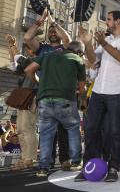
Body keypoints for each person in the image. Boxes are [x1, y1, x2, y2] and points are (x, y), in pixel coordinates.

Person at [76, 10, 120, 182]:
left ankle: (113, 167)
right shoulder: (107, 40)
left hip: (117, 92)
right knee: (90, 129)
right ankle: (89, 166)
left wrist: (102, 43)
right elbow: (93, 60)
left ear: (117, 21)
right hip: (97, 92)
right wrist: (88, 44)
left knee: (115, 132)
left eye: (108, 19)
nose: (106, 22)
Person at [24, 41, 87, 177]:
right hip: (65, 100)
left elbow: (28, 70)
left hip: (44, 100)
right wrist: (84, 101)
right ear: (80, 52)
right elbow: (82, 87)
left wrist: (39, 84)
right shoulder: (78, 60)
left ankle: (43, 168)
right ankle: (76, 161)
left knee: (46, 134)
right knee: (73, 129)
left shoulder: (48, 55)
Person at [23, 8, 73, 171]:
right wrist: (41, 21)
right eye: (50, 31)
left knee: (63, 129)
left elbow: (67, 38)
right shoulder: (42, 48)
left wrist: (53, 22)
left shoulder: (65, 47)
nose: (52, 33)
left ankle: (65, 159)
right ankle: (48, 160)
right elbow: (27, 37)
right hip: (44, 95)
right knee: (47, 130)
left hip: (63, 94)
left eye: (55, 31)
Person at [5, 35, 38, 170]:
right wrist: (11, 50)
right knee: (21, 131)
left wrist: (12, 46)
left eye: (28, 49)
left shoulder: (37, 61)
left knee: (28, 130)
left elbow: (20, 60)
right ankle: (25, 159)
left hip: (32, 100)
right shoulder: (31, 62)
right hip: (25, 101)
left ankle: (29, 160)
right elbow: (13, 67)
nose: (26, 52)